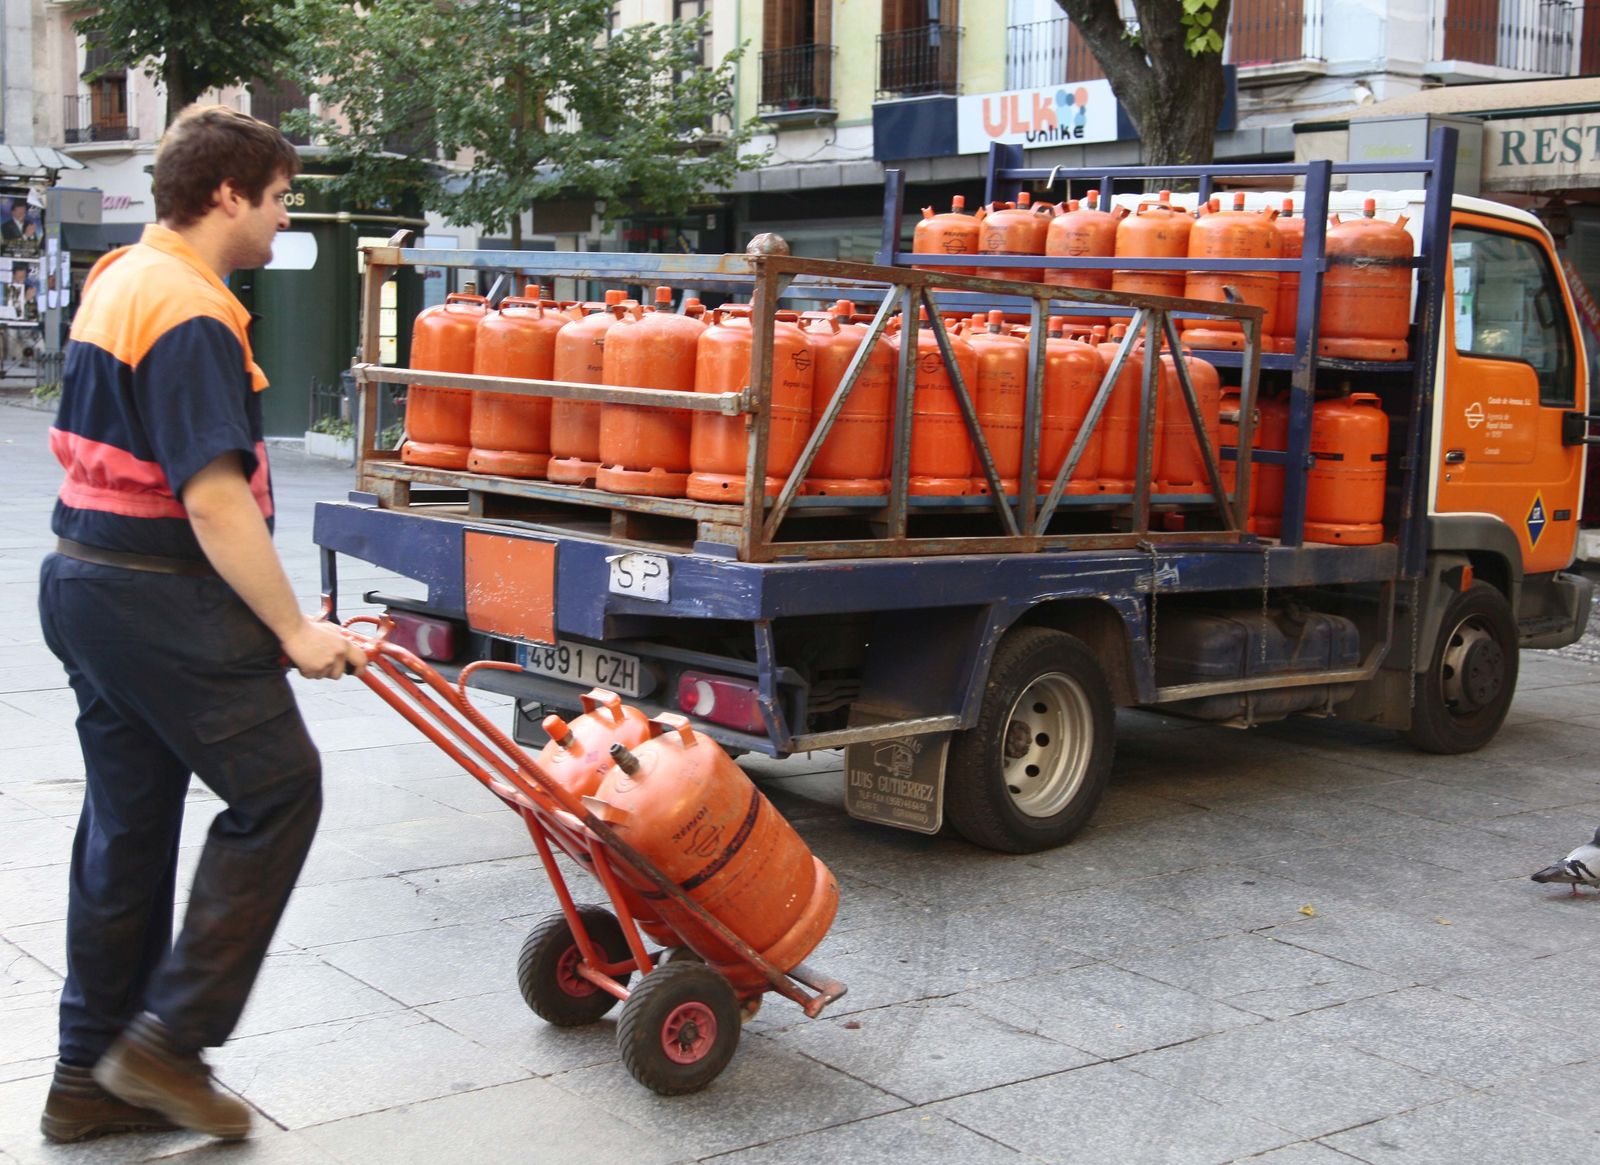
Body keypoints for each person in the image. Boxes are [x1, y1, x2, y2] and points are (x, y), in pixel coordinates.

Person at [36, 104, 365, 1145]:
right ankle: (169, 1045)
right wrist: (297, 628)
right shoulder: (191, 308)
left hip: (87, 583)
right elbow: (213, 496)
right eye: (274, 199)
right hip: (159, 595)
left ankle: (86, 1078)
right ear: (227, 192)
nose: (280, 220)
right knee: (279, 789)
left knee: (129, 828)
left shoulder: (121, 278)